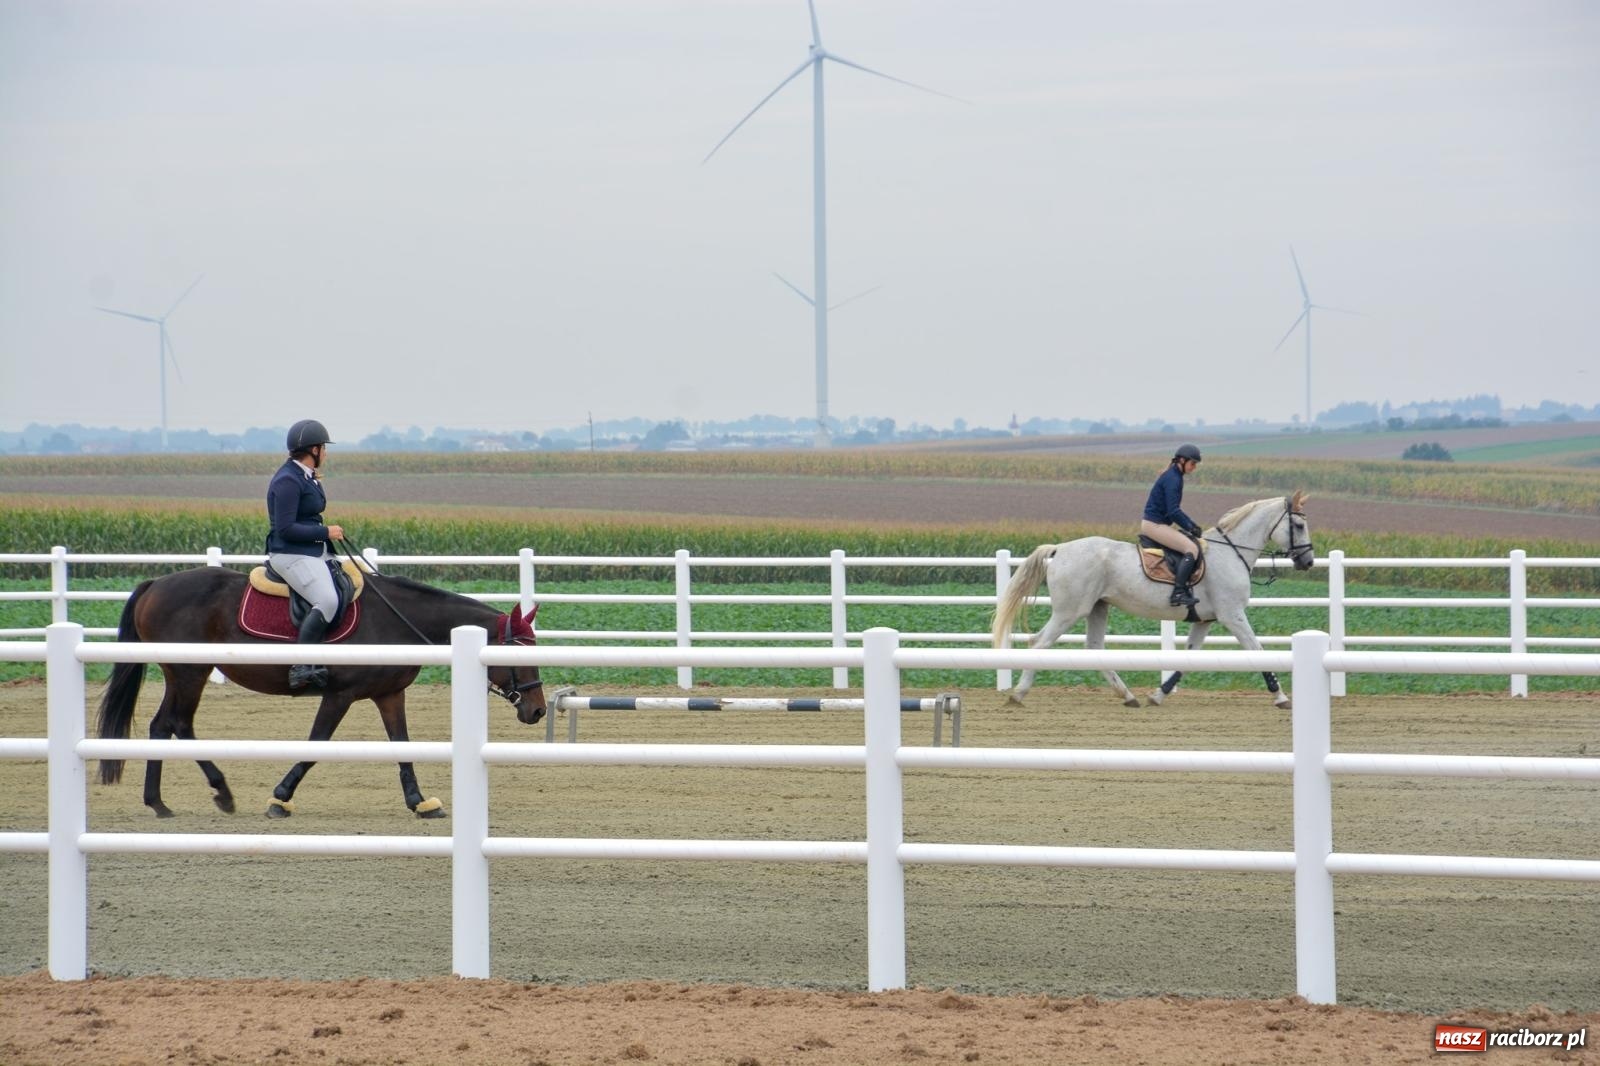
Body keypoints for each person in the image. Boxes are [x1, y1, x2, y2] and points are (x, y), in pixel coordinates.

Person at [266, 419, 345, 690]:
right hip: (289, 553)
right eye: (323, 448)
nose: (326, 453)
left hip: (311, 550)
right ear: (313, 450)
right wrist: (326, 532)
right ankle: (301, 666)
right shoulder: (288, 479)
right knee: (326, 600)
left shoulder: (303, 475)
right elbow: (286, 529)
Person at [1141, 443, 1205, 607]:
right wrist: (1191, 526)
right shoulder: (1173, 479)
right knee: (1192, 549)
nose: (1194, 467)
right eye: (1192, 463)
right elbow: (1173, 511)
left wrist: (1191, 525)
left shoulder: (1173, 475)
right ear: (1182, 461)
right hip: (1154, 525)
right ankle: (1178, 592)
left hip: (1157, 523)